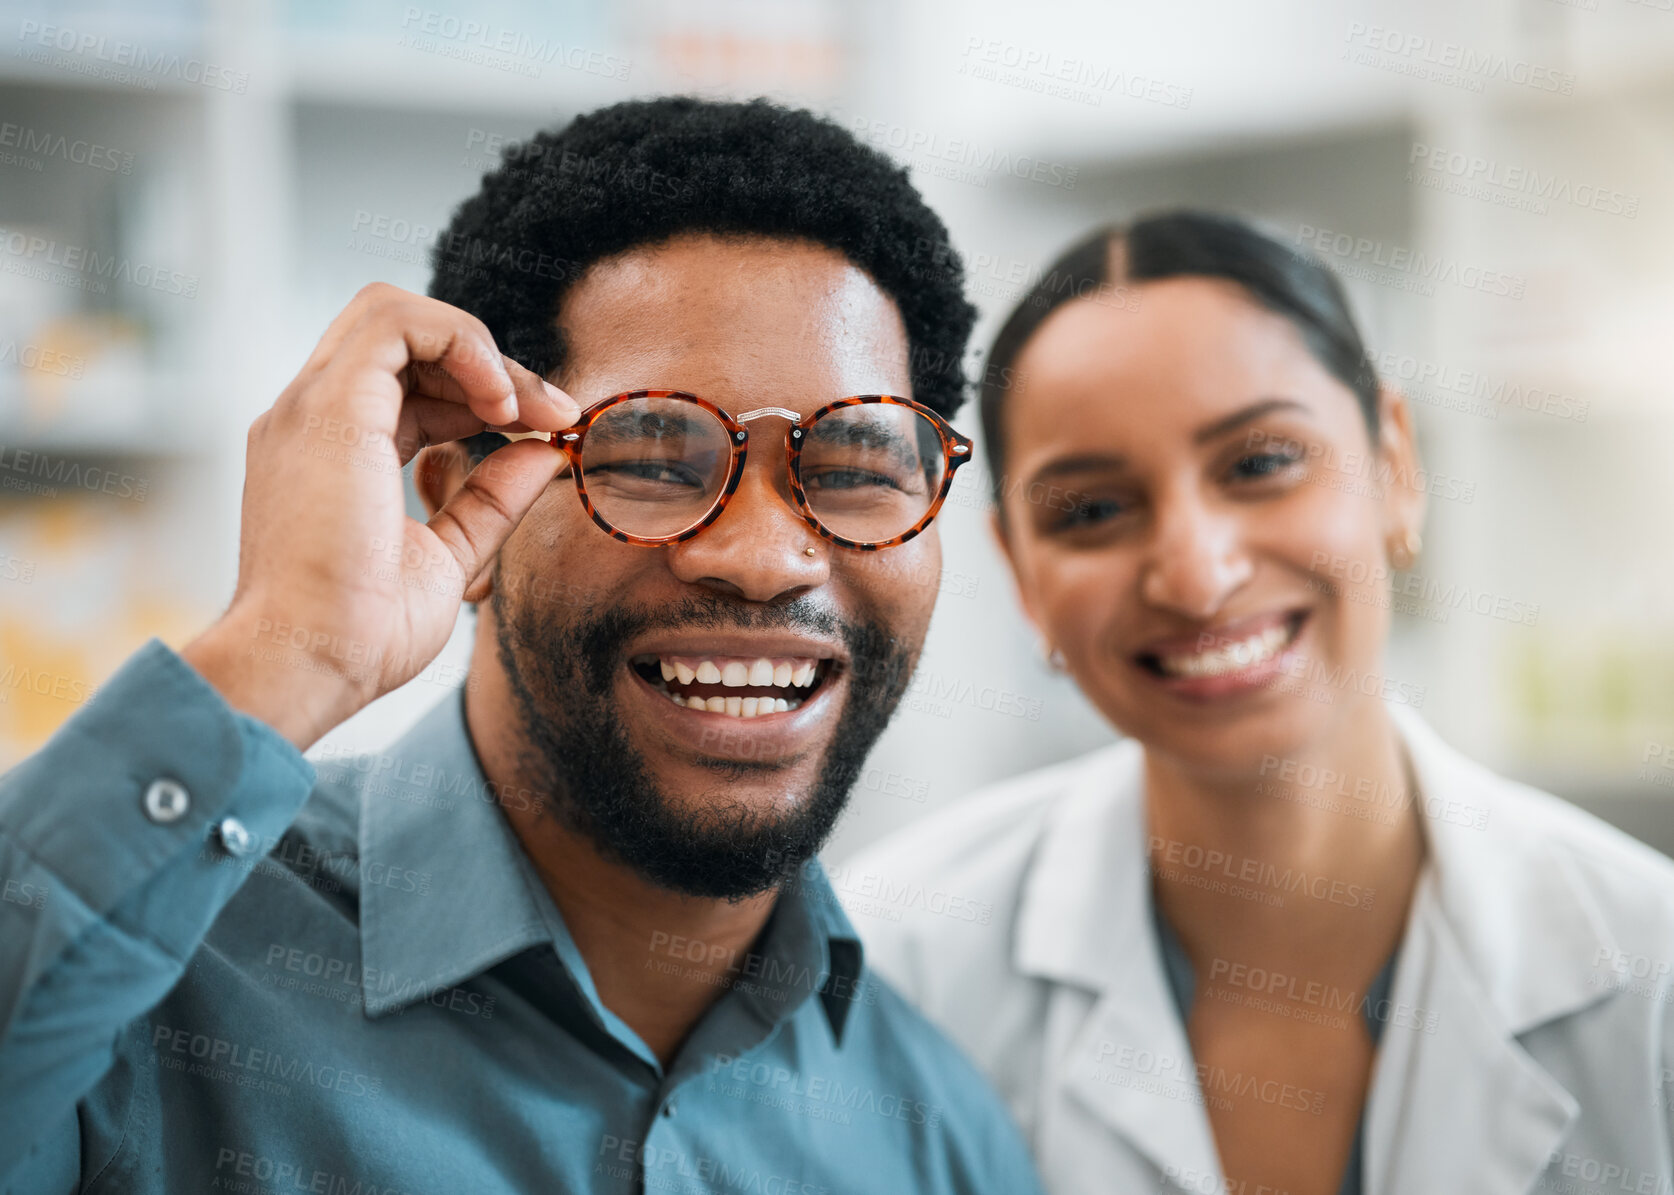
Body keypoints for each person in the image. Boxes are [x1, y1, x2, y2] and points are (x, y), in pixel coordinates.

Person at [0, 97, 1045, 1195]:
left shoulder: (940, 1136)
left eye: (855, 468)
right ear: (461, 500)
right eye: (652, 457)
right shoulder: (140, 985)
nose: (763, 557)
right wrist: (286, 648)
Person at [844, 210, 1674, 1195]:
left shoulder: (1651, 975)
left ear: (1395, 468)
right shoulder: (891, 970)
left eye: (1260, 463)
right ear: (1022, 575)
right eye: (1094, 510)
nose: (1197, 576)